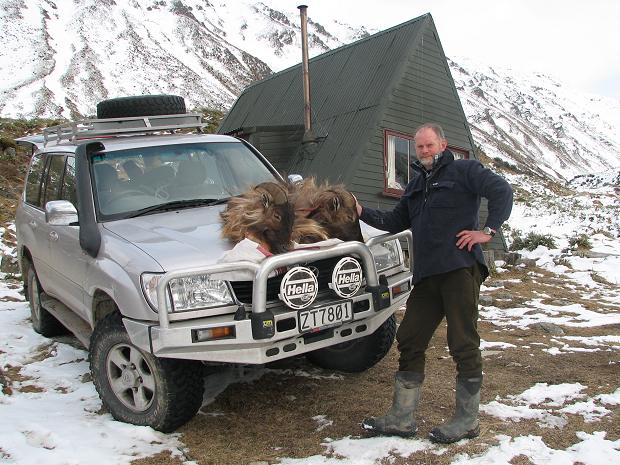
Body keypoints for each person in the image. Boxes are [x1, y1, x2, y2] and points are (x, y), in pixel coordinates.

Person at [357, 123, 513, 443]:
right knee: (410, 337)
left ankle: (467, 420)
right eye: (420, 147)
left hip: (459, 270)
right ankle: (401, 417)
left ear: (443, 144)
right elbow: (392, 222)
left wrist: (488, 232)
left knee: (462, 343)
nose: (425, 151)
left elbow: (502, 191)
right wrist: (358, 210)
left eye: (430, 145)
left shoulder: (464, 171)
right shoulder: (415, 185)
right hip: (427, 276)